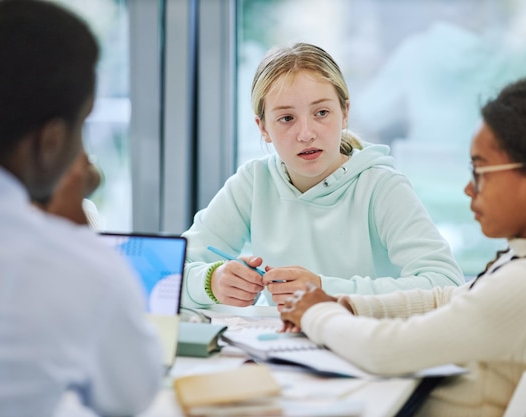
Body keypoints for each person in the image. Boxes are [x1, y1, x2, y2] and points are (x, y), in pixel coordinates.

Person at [279, 73, 526, 417]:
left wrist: (316, 313)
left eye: (481, 171)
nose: (469, 189)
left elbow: (384, 351)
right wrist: (348, 305)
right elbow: (447, 297)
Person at [181, 42, 464, 309]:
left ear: (345, 113)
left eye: (321, 112)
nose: (306, 134)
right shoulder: (254, 183)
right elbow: (164, 272)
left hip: (366, 349)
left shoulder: (380, 186)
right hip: (280, 350)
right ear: (263, 127)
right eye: (286, 118)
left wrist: (325, 291)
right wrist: (211, 281)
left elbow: (446, 285)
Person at [0, 1, 163, 416]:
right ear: (50, 142)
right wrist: (72, 228)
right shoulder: (72, 269)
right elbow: (132, 395)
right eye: (82, 124)